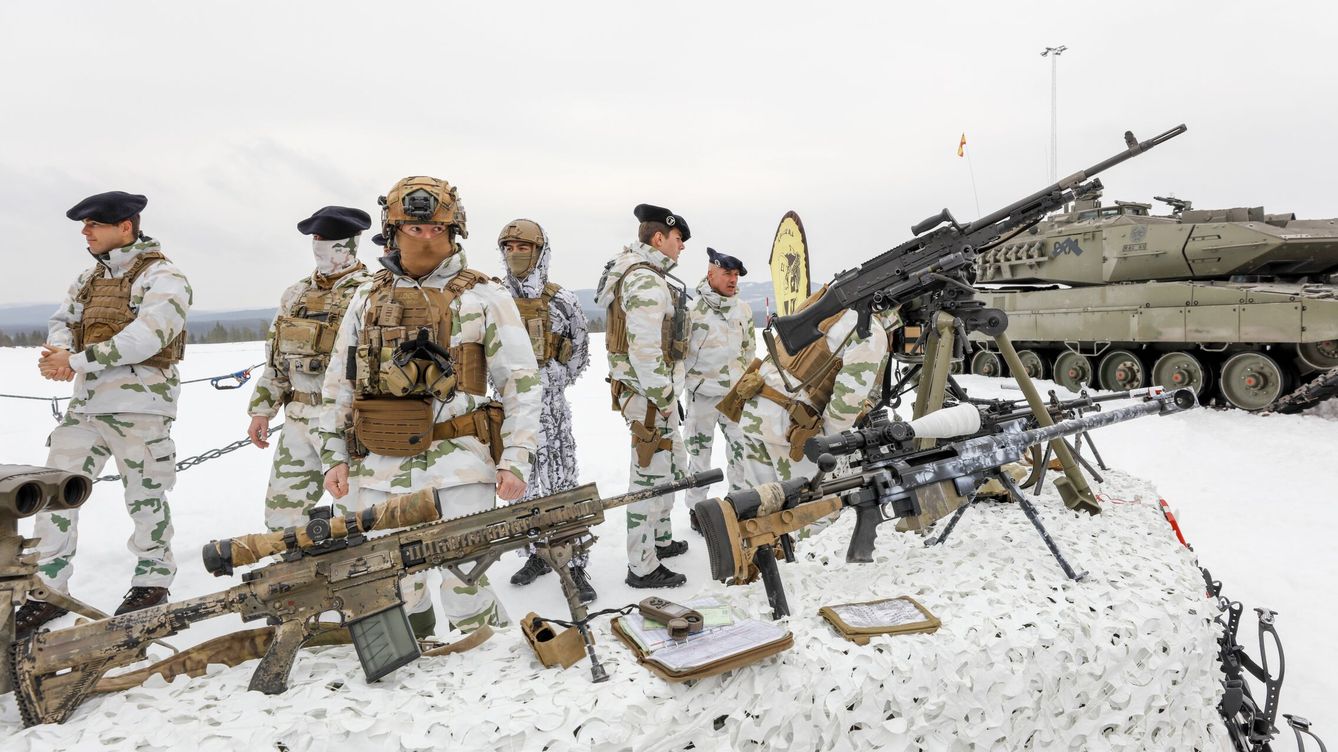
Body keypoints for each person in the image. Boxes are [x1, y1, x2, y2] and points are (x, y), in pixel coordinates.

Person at [319, 176, 540, 638]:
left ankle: (486, 677)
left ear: (453, 229)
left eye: (435, 228)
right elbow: (340, 381)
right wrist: (332, 456)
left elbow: (521, 384)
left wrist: (516, 460)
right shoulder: (367, 296)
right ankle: (415, 672)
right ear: (392, 229)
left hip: (459, 468)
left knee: (467, 584)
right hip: (377, 467)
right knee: (394, 588)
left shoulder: (486, 296)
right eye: (412, 228)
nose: (424, 237)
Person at [19, 191, 193, 637]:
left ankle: (152, 582)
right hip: (87, 408)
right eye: (86, 225)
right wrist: (60, 349)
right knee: (53, 494)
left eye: (94, 224)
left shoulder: (164, 277)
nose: (86, 231)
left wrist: (74, 362)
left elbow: (146, 338)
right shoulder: (88, 279)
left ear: (126, 227)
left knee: (145, 498)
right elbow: (63, 319)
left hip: (141, 408)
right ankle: (47, 591)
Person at [247, 206, 372, 531]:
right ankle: (293, 576)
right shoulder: (296, 294)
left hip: (349, 422)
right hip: (298, 419)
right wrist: (262, 410)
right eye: (317, 238)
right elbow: (276, 360)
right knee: (282, 516)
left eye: (331, 239)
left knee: (355, 515)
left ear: (351, 243)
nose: (321, 245)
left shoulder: (370, 293)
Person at [495, 219, 596, 600]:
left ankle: (574, 562)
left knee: (561, 482)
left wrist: (551, 380)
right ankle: (536, 552)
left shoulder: (561, 300)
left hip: (551, 406)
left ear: (539, 251)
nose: (516, 254)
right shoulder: (495, 297)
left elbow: (580, 350)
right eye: (509, 247)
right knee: (522, 484)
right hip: (509, 409)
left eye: (524, 247)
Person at [593, 203, 692, 588]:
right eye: (677, 239)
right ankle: (642, 566)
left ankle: (660, 541)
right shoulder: (647, 281)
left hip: (646, 394)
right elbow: (646, 351)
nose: (681, 247)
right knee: (647, 480)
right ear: (658, 238)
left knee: (664, 470)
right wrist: (665, 397)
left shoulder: (635, 273)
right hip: (649, 398)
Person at [720, 294, 900, 496]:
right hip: (790, 430)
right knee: (808, 509)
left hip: (756, 410)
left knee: (759, 504)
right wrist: (828, 445)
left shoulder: (823, 302)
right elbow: (846, 405)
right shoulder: (869, 330)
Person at [683, 248, 754, 512]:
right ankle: (697, 510)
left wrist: (747, 382)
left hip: (735, 396)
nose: (733, 279)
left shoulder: (743, 310)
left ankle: (738, 505)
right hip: (701, 396)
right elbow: (678, 356)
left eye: (736, 275)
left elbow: (748, 348)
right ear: (711, 273)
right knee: (700, 459)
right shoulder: (692, 310)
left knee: (742, 451)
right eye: (727, 273)